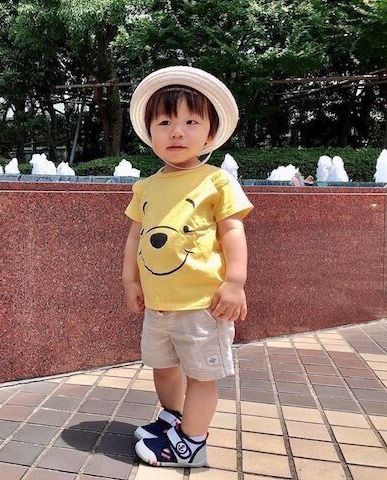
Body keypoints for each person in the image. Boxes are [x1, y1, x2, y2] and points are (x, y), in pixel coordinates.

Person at [122, 66, 254, 468]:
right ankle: (174, 418)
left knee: (201, 375)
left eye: (190, 122)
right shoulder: (146, 186)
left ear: (210, 134)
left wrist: (235, 282)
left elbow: (232, 231)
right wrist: (130, 280)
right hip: (158, 304)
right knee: (162, 367)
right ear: (150, 133)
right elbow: (135, 237)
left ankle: (192, 443)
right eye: (165, 122)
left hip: (202, 305)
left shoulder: (216, 181)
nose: (177, 132)